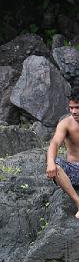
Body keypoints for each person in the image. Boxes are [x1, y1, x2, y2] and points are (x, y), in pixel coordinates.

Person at [46, 90, 79, 218]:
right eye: (71, 108)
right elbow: (54, 143)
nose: (74, 111)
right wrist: (50, 163)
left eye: (77, 108)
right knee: (56, 163)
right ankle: (78, 202)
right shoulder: (66, 124)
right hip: (73, 171)